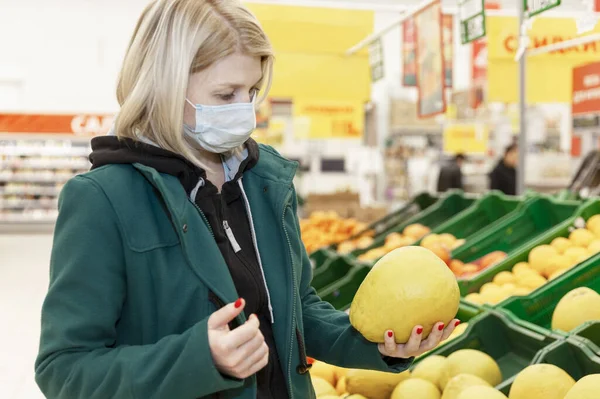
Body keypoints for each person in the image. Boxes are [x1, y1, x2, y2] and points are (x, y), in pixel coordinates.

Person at [34, 1, 459, 398]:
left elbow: (297, 311)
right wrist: (199, 359)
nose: (245, 110)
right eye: (225, 95)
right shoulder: (104, 200)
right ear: (163, 85)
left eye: (252, 91)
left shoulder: (264, 182)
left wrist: (382, 347)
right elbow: (64, 368)